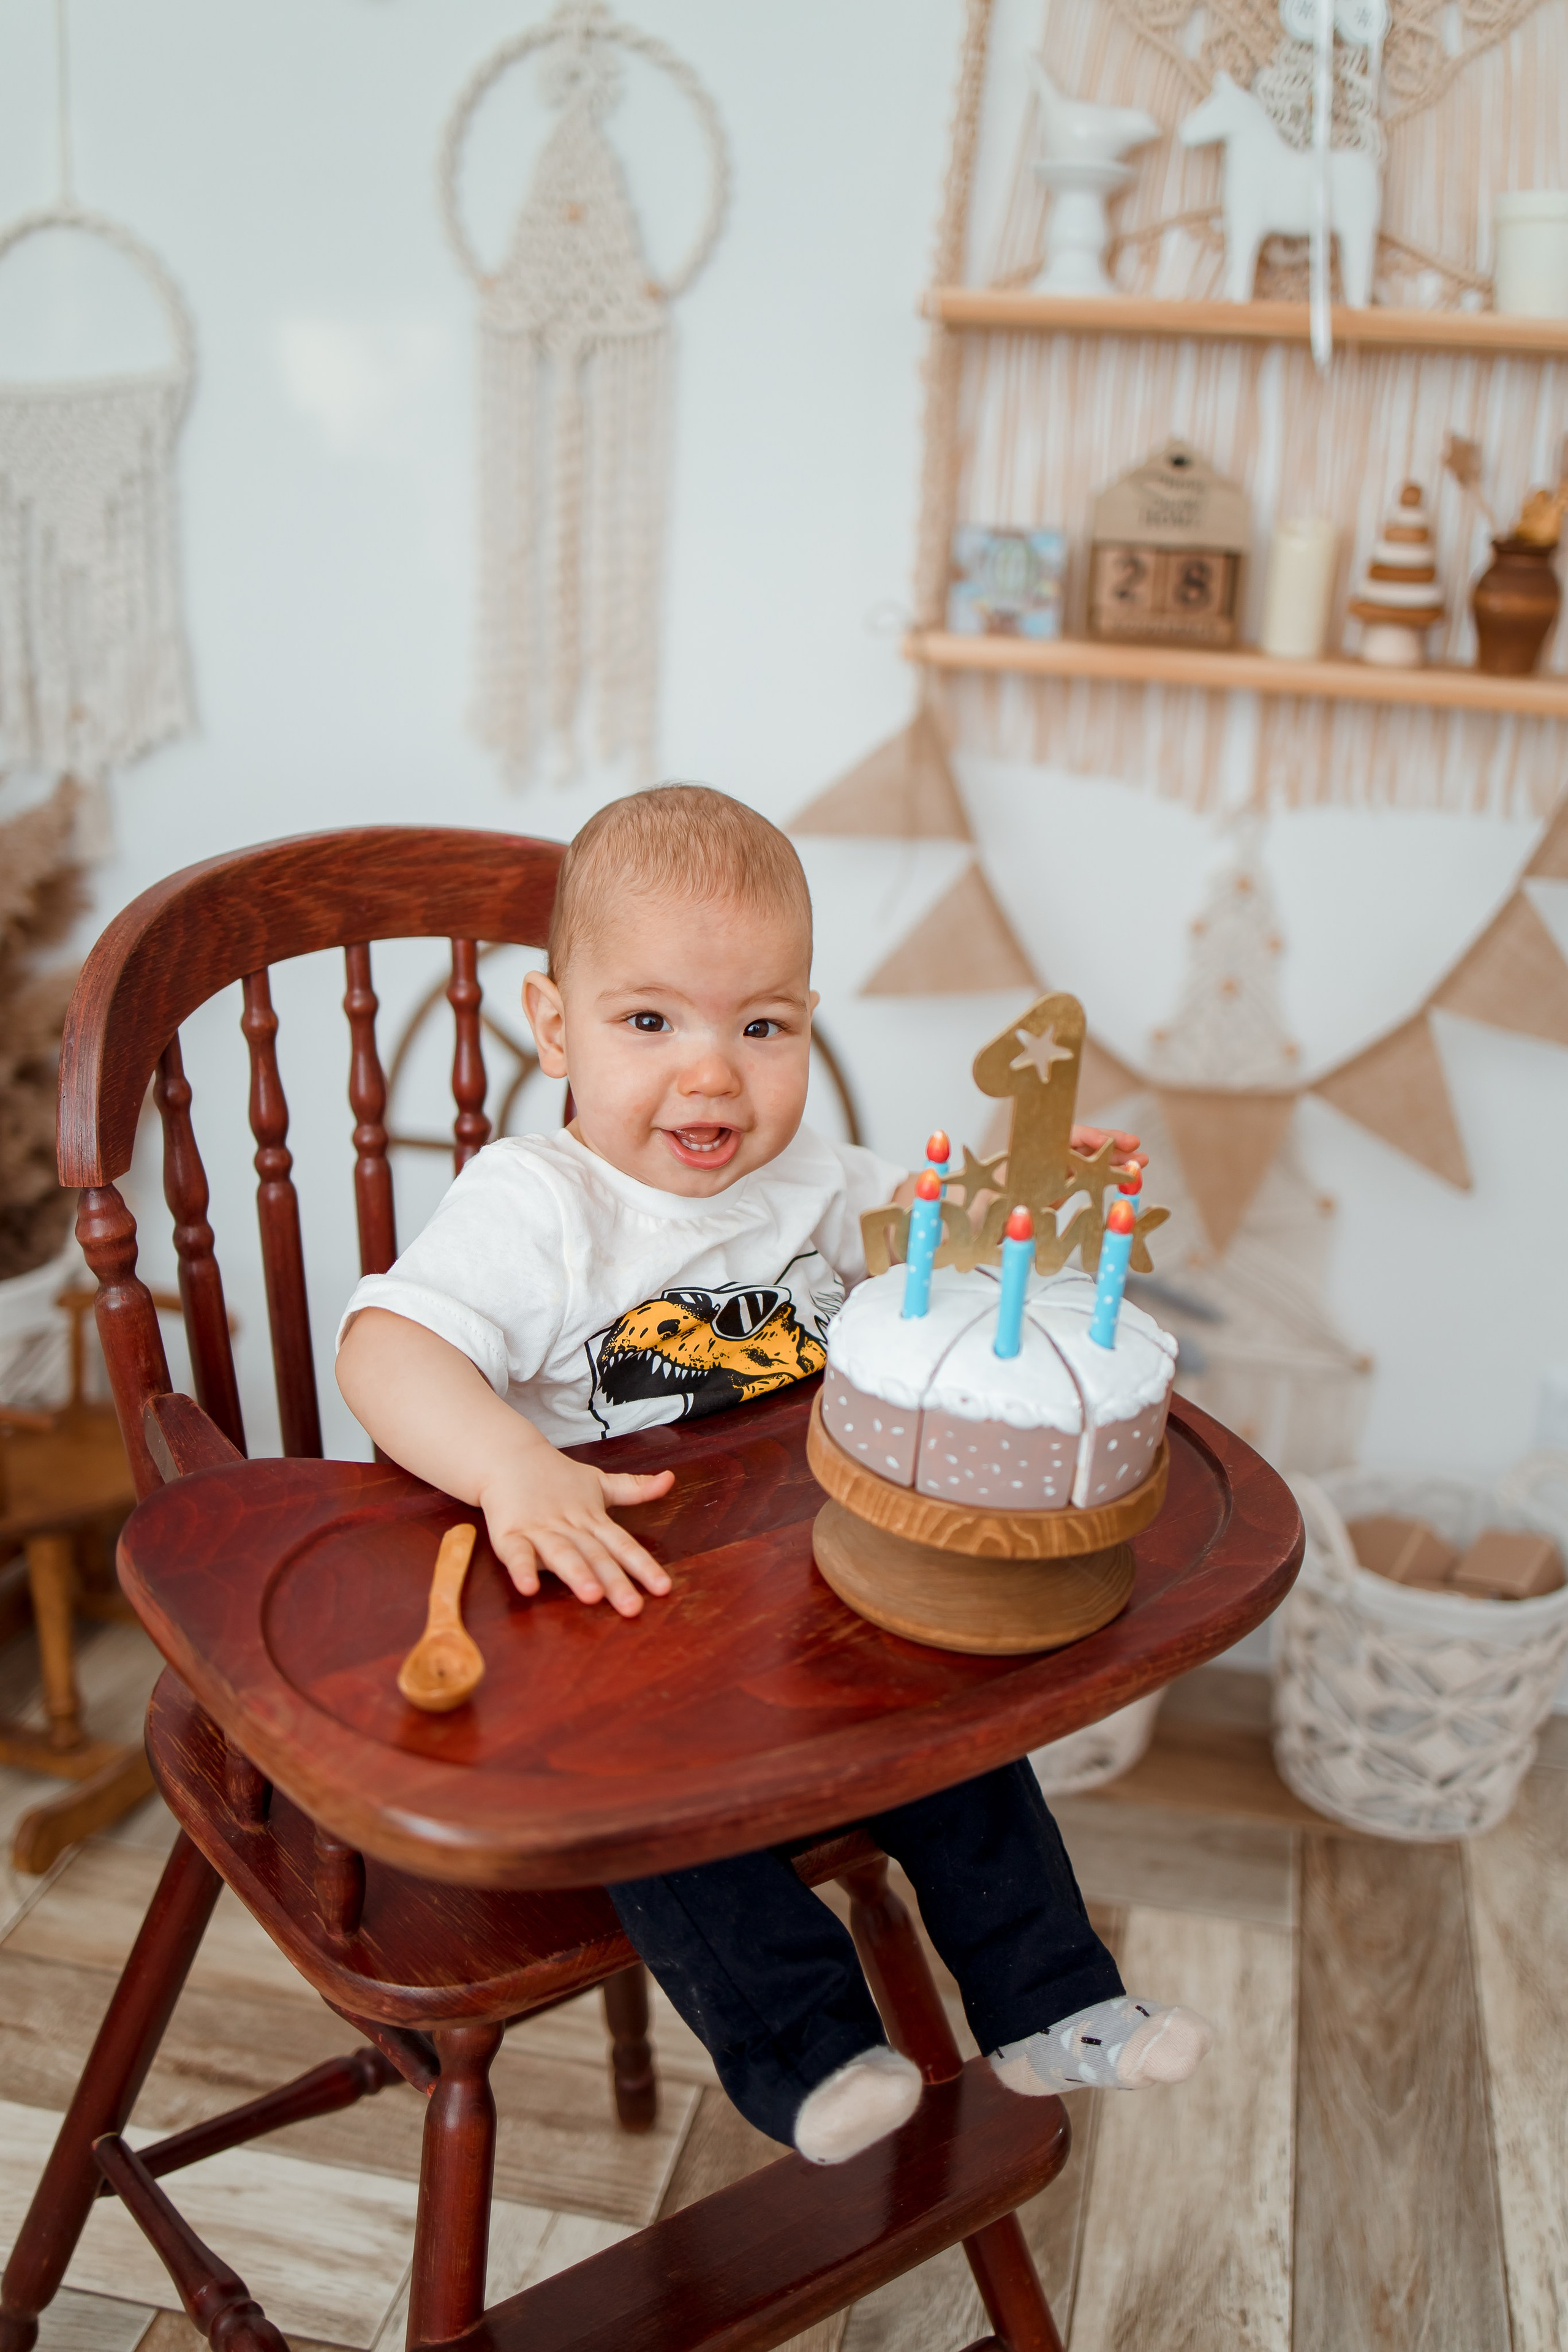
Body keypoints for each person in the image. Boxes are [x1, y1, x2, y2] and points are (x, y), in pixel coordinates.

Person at [336, 784, 1212, 2165]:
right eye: (649, 1023)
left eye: (763, 1026)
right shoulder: (538, 1208)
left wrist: (1032, 1206)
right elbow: (386, 1349)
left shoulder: (816, 1181)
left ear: (807, 1021)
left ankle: (1055, 2003)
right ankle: (808, 2055)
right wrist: (513, 1466)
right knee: (662, 1822)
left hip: (791, 1597)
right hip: (604, 1619)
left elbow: (939, 1258)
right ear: (553, 1026)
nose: (710, 1075)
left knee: (959, 1752)